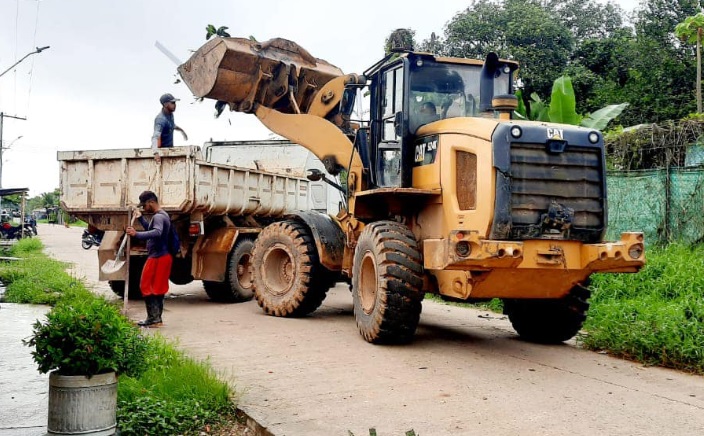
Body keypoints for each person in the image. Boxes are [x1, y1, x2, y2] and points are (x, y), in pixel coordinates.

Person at [125, 190, 173, 327]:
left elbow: (157, 232)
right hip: (162, 256)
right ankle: (155, 319)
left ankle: (154, 319)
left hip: (158, 257)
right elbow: (151, 228)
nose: (144, 208)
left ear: (151, 202)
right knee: (157, 286)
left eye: (145, 205)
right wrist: (140, 218)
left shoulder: (158, 217)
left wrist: (136, 234)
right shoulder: (162, 215)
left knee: (146, 285)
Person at [151, 93, 188, 164]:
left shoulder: (170, 115)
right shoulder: (160, 119)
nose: (175, 105)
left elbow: (172, 125)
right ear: (165, 104)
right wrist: (155, 153)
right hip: (162, 153)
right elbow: (155, 137)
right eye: (173, 103)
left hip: (169, 151)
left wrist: (182, 131)